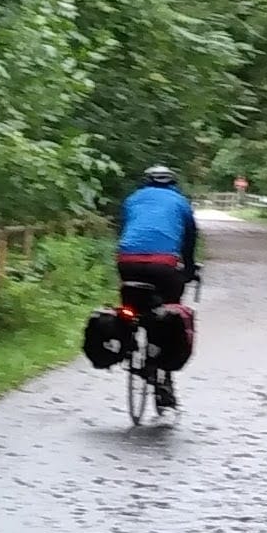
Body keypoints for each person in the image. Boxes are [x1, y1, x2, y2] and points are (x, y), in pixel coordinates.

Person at [114, 167, 201, 408]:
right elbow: (190, 238)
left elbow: (123, 230)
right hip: (164, 265)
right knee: (168, 311)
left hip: (127, 261)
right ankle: (163, 377)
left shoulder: (133, 199)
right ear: (173, 183)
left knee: (131, 302)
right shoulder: (180, 202)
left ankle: (128, 336)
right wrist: (189, 269)